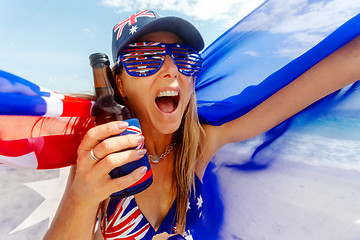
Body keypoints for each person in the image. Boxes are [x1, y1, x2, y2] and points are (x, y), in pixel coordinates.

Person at [44, 9, 360, 240]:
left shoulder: (199, 145)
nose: (171, 71)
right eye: (145, 59)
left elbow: (303, 89)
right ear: (119, 84)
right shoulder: (104, 154)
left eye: (184, 59)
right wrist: (81, 198)